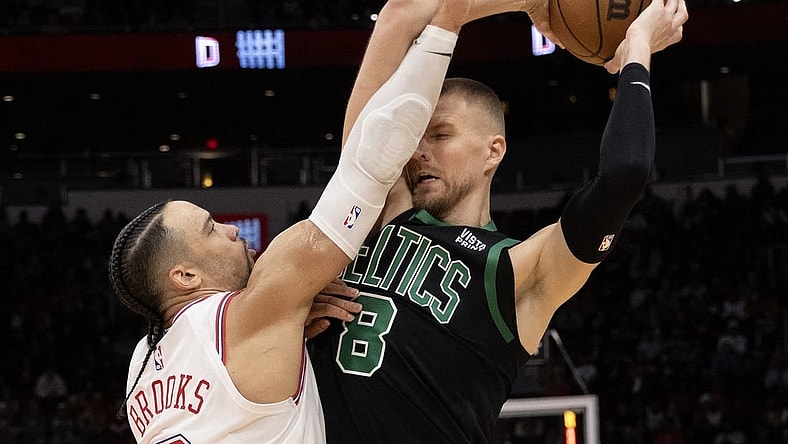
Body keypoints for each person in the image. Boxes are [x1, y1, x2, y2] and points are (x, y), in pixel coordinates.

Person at [308, 0, 689, 442]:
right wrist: (530, 3)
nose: (418, 151)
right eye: (417, 136)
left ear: (494, 151)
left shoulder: (516, 272)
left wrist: (637, 48)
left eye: (441, 134)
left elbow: (625, 175)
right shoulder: (376, 207)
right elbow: (399, 14)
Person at [107, 1, 471, 442]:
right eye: (210, 229)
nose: (231, 229)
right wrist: (445, 26)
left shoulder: (142, 364)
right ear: (184, 275)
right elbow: (371, 163)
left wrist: (285, 319)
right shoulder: (245, 316)